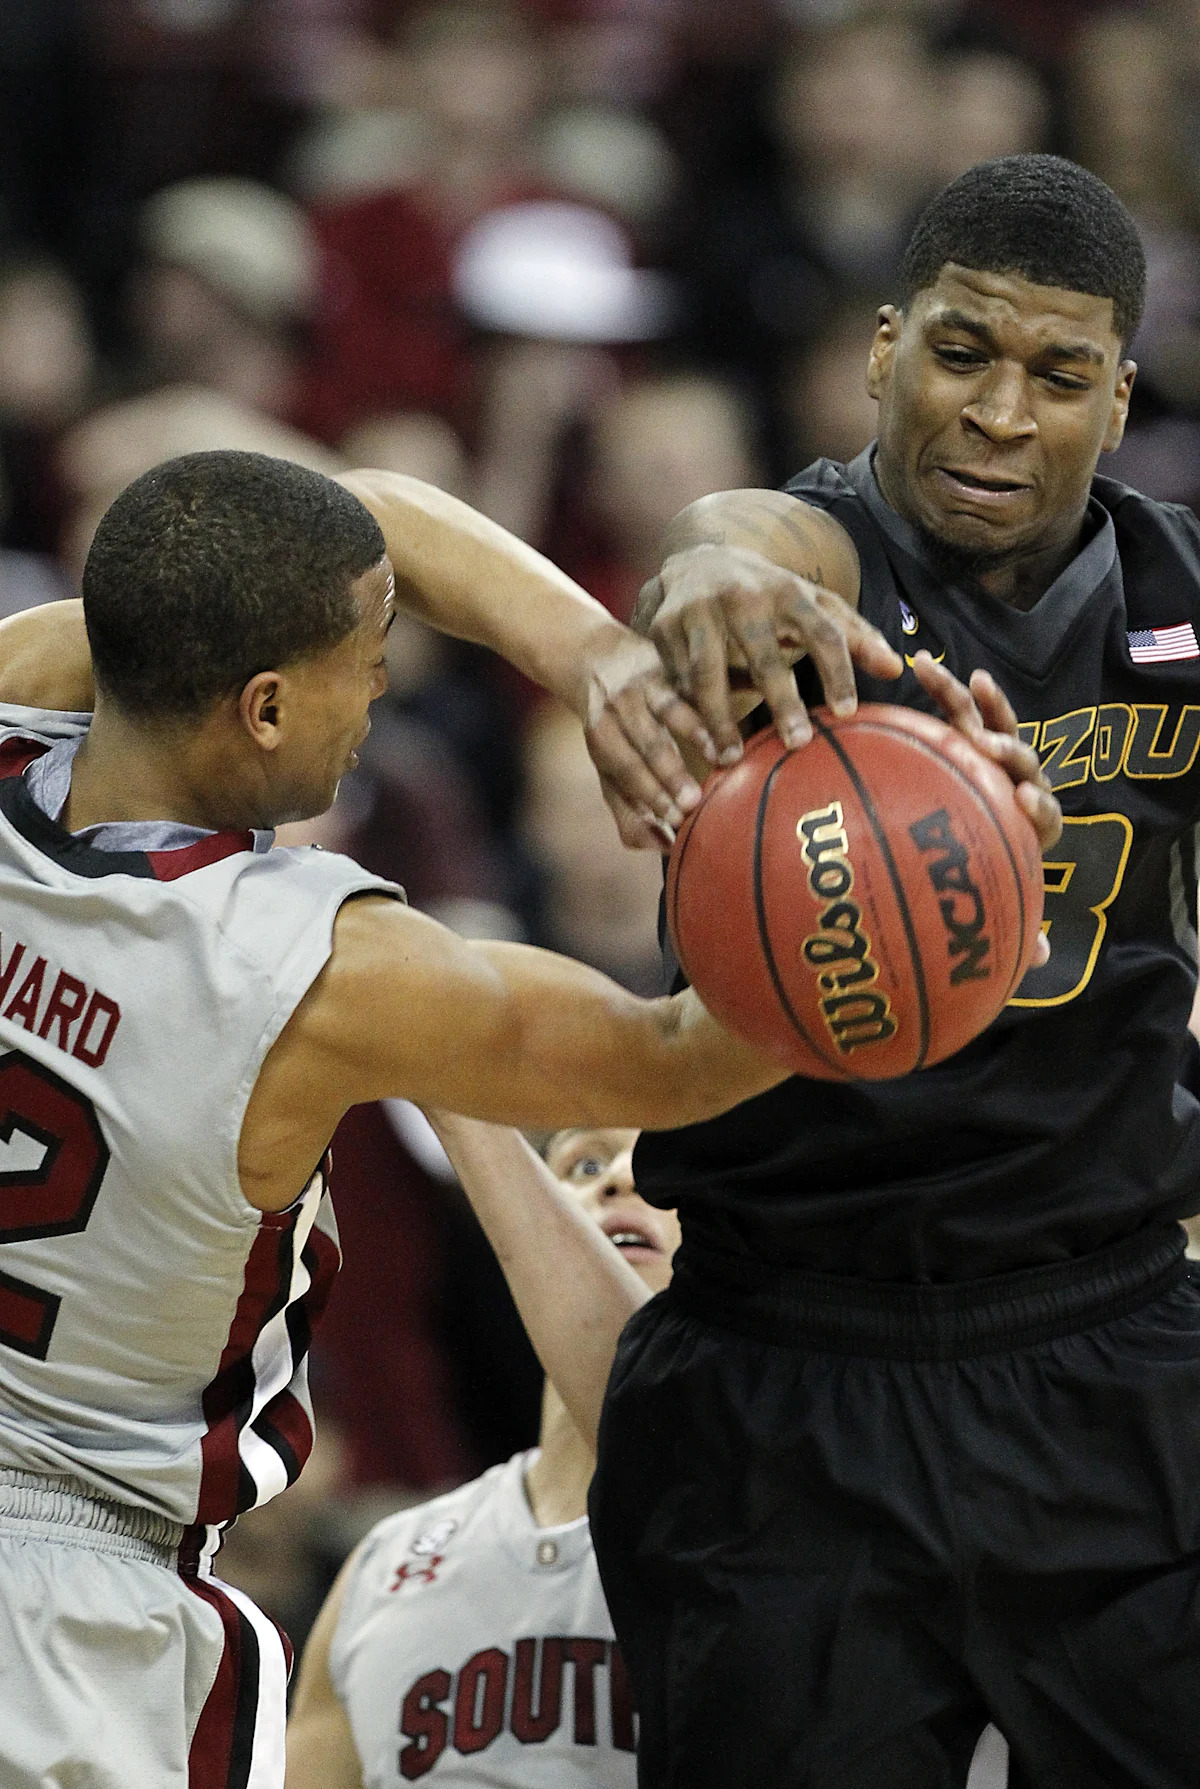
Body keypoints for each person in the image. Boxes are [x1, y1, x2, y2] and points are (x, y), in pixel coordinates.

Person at [0, 448, 808, 1789]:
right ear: (265, 706)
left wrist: (601, 662)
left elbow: (320, 528)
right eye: (366, 662)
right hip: (66, 1610)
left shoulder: (23, 692)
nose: (382, 687)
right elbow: (676, 1059)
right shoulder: (310, 969)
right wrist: (906, 910)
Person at [580, 153, 1200, 1787]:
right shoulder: (821, 569)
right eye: (961, 352)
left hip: (1113, 1336)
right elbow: (740, 538)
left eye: (1059, 374)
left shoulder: (1180, 600)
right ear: (882, 351)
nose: (1000, 412)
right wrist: (707, 564)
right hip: (788, 1367)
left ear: (1118, 397)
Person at [285, 1122, 672, 1789]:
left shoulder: (772, 1530)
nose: (620, 1178)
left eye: (668, 1170)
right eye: (584, 1164)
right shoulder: (385, 1566)